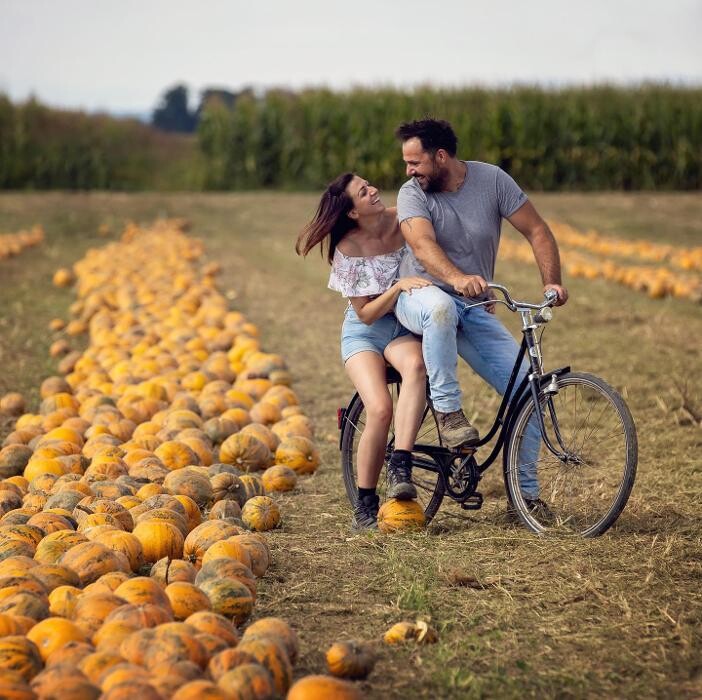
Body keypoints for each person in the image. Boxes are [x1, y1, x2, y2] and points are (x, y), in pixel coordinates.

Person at [393, 118, 569, 507]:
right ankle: (448, 413)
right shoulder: (412, 194)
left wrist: (551, 282)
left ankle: (525, 497)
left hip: (471, 307)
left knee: (531, 391)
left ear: (441, 157)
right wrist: (456, 278)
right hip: (421, 296)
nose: (409, 171)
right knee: (440, 307)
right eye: (407, 163)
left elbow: (537, 230)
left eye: (415, 162)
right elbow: (421, 245)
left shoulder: (493, 181)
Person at [296, 172, 436, 530]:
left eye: (369, 185)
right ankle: (365, 503)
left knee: (417, 366)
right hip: (364, 333)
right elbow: (366, 313)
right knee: (379, 408)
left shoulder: (400, 218)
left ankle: (401, 461)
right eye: (363, 191)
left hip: (400, 328)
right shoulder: (349, 248)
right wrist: (398, 287)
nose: (373, 190)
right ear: (354, 212)